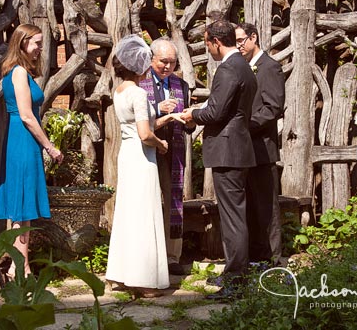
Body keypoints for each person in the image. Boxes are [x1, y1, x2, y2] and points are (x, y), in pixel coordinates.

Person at [181, 20, 257, 299]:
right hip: (238, 148)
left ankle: (236, 281)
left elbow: (215, 113)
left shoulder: (228, 69)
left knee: (233, 218)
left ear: (215, 41)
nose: (207, 48)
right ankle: (233, 271)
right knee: (235, 215)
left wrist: (193, 114)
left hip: (229, 150)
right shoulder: (245, 68)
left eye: (207, 43)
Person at [105, 34, 179, 298]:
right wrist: (161, 145)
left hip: (127, 154)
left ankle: (118, 276)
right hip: (142, 156)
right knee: (145, 215)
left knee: (128, 213)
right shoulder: (137, 92)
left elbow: (138, 125)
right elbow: (145, 134)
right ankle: (145, 282)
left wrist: (167, 116)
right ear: (141, 66)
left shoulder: (119, 91)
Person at [0, 23, 63, 278]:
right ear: (22, 43)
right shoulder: (19, 74)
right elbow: (26, 115)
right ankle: (21, 267)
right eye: (36, 43)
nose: (39, 49)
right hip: (23, 140)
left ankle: (18, 266)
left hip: (21, 141)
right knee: (21, 207)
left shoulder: (18, 72)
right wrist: (50, 146)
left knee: (22, 209)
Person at [139, 38, 191, 275]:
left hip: (174, 151)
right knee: (148, 200)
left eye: (173, 62)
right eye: (163, 62)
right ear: (151, 59)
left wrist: (191, 118)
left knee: (174, 201)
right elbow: (136, 120)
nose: (168, 67)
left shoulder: (181, 85)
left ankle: (172, 256)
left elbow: (188, 124)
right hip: (148, 150)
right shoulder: (140, 83)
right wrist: (160, 109)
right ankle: (149, 254)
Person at [235, 22, 286, 266]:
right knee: (250, 206)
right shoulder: (243, 68)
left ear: (253, 37)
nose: (239, 46)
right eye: (235, 42)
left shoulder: (270, 67)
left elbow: (273, 107)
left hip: (262, 147)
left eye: (241, 41)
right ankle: (255, 257)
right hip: (244, 148)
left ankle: (273, 259)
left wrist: (245, 125)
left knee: (266, 205)